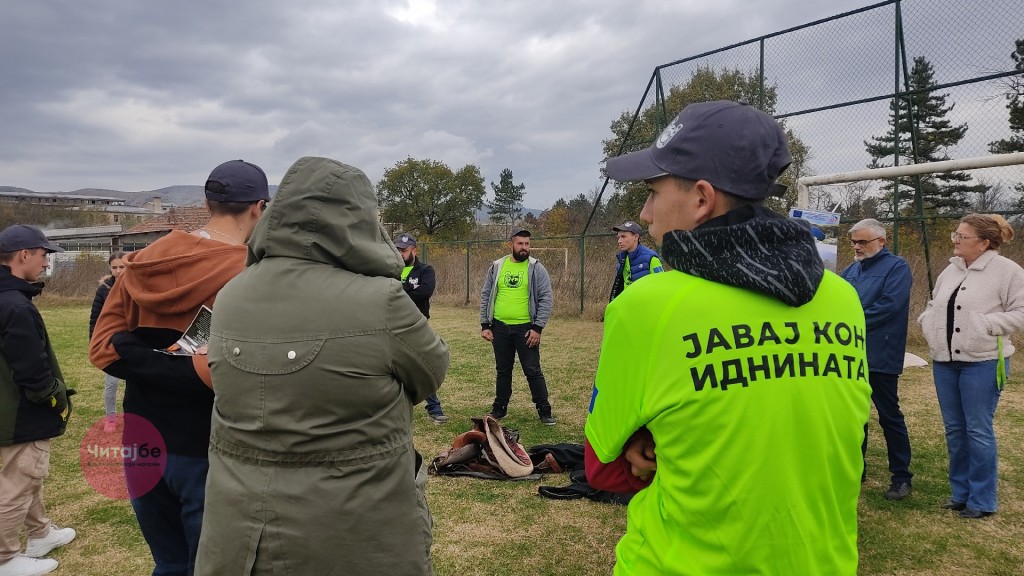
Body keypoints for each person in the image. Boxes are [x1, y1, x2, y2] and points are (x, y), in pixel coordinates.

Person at [585, 100, 871, 575]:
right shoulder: (841, 297)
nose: (645, 211)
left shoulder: (647, 306)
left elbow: (605, 469)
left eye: (654, 191)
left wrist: (649, 437)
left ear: (701, 198)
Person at [194, 157, 449, 575]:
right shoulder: (381, 301)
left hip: (241, 534)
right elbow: (430, 372)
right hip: (354, 532)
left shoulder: (233, 294)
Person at [89, 160, 269, 576]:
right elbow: (240, 369)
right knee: (212, 565)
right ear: (259, 207)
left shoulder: (141, 262)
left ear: (207, 203)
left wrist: (137, 352)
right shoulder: (253, 274)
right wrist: (191, 367)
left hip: (141, 439)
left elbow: (105, 349)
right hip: (207, 443)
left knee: (168, 562)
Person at [918, 213, 1024, 519]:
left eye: (961, 236)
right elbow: (931, 305)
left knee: (977, 429)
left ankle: (982, 500)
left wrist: (986, 324)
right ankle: (960, 493)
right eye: (956, 234)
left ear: (984, 243)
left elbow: (1020, 311)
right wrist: (928, 324)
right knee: (954, 430)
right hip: (945, 363)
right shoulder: (949, 271)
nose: (955, 240)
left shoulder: (1008, 272)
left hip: (983, 362)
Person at [0, 225, 76, 576]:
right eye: (44, 254)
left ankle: (40, 533)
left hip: (8, 408)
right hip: (17, 413)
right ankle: (5, 557)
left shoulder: (10, 297)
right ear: (23, 255)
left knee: (25, 475)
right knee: (20, 478)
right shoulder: (15, 305)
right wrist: (54, 400)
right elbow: (32, 371)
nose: (46, 263)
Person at [840, 219, 914, 501]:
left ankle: (901, 477)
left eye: (863, 242)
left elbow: (889, 306)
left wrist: (848, 323)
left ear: (881, 241)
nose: (857, 247)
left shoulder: (897, 267)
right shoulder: (851, 269)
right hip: (850, 354)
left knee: (889, 415)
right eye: (854, 242)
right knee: (855, 417)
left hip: (881, 354)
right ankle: (856, 470)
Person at [480, 227, 555, 425]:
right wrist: (485, 324)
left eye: (527, 244)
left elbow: (546, 298)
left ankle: (544, 409)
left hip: (526, 329)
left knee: (532, 369)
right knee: (503, 370)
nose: (524, 248)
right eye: (520, 243)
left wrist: (537, 328)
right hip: (500, 327)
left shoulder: (536, 267)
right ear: (511, 244)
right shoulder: (497, 266)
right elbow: (486, 295)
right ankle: (499, 408)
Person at [395, 232, 448, 423]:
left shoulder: (425, 270)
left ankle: (434, 408)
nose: (400, 253)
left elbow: (425, 292)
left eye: (404, 250)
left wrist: (399, 291)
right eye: (397, 250)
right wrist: (410, 290)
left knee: (423, 365)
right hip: (393, 325)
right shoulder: (389, 270)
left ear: (414, 251)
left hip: (417, 325)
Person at [89, 251, 127, 433]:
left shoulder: (137, 285)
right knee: (111, 383)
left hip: (133, 342)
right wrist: (93, 342)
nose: (118, 271)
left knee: (134, 383)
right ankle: (110, 418)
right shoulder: (104, 289)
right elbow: (95, 317)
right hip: (110, 343)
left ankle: (132, 416)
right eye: (114, 267)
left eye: (122, 267)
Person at [608, 220, 663, 301]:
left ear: (636, 237)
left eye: (623, 236)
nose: (619, 241)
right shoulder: (621, 259)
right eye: (618, 237)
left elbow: (661, 286)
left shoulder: (651, 258)